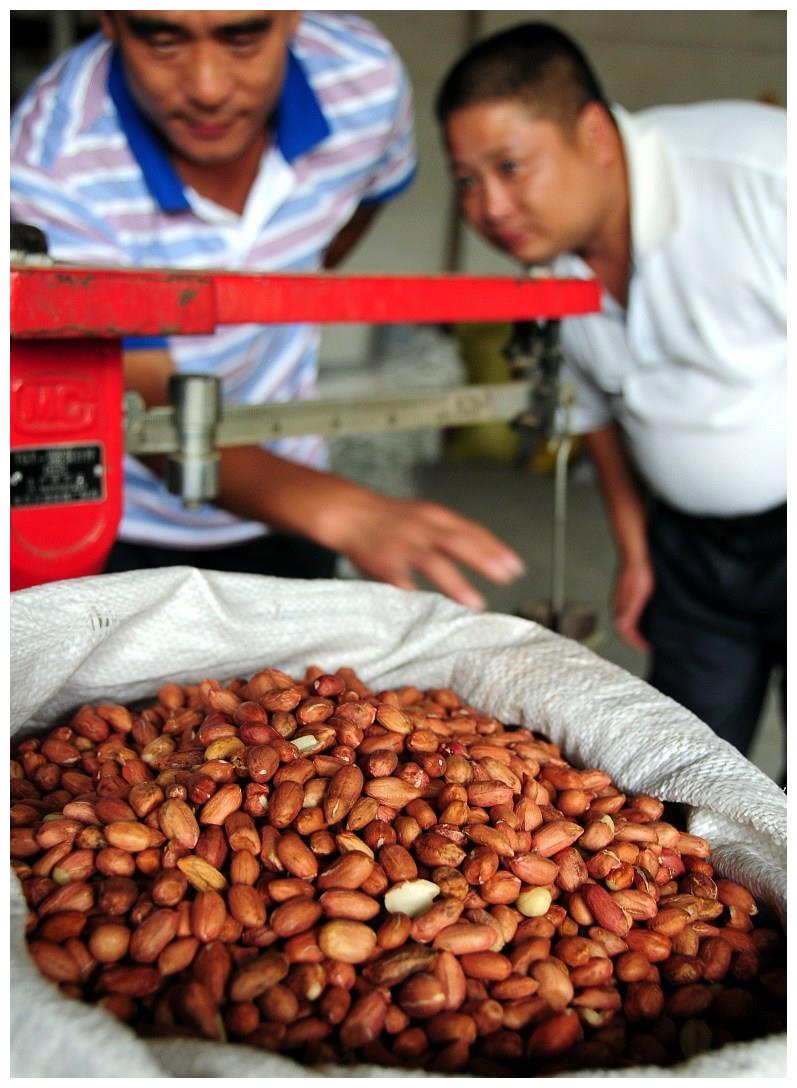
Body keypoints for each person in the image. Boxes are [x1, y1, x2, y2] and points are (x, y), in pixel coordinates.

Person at [10, 10, 525, 610]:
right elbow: (140, 394)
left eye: (243, 36)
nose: (207, 86)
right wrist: (344, 509)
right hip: (118, 527)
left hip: (289, 502)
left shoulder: (365, 81)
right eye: (163, 38)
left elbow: (362, 200)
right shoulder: (49, 163)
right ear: (108, 21)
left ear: (292, 15)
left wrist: (284, 279)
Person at [435, 22, 786, 759]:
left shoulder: (760, 172)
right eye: (466, 179)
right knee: (681, 764)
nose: (488, 208)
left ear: (590, 132)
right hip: (689, 549)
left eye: (509, 166)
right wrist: (635, 550)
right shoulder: (548, 269)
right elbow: (597, 411)